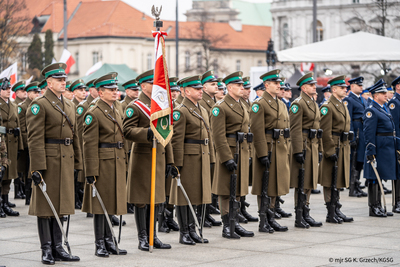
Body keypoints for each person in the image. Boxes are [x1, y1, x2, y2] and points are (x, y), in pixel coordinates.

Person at [27, 63, 82, 264]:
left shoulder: (69, 105)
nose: (63, 82)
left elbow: (75, 136)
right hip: (48, 160)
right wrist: (37, 167)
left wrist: (79, 163)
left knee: (61, 206)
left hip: (66, 159)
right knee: (45, 207)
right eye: (59, 80)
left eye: (64, 79)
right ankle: (47, 249)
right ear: (49, 83)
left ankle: (59, 247)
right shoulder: (39, 104)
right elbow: (34, 138)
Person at [123, 69, 174, 251]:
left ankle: (153, 236)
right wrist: (146, 132)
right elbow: (127, 131)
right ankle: (143, 238)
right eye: (153, 84)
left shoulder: (160, 106)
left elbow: (166, 134)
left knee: (156, 199)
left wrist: (170, 161)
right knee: (142, 200)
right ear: (144, 86)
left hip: (158, 156)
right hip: (143, 157)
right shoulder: (135, 107)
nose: (157, 86)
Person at [81, 72, 128, 257]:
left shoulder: (116, 108)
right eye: (111, 90)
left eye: (116, 89)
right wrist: (91, 171)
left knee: (110, 203)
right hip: (102, 162)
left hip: (116, 159)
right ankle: (99, 243)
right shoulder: (94, 112)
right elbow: (89, 144)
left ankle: (110, 241)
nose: (116, 92)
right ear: (101, 93)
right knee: (100, 206)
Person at [169, 75, 214, 245]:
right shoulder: (181, 111)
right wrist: (176, 163)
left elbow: (207, 135)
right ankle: (184, 232)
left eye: (201, 88)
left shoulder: (201, 109)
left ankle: (192, 229)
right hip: (187, 158)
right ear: (187, 91)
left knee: (195, 195)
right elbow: (176, 139)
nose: (201, 91)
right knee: (184, 196)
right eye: (197, 89)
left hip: (201, 155)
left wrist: (210, 156)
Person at [210, 71, 254, 239]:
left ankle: (235, 223)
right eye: (239, 86)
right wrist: (226, 158)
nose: (242, 88)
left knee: (237, 191)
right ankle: (227, 225)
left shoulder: (242, 105)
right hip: (228, 153)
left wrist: (248, 153)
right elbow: (218, 136)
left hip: (241, 151)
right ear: (229, 87)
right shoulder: (220, 107)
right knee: (226, 191)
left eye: (243, 85)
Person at [250, 69, 290, 233]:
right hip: (267, 148)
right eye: (276, 83)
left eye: (279, 83)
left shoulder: (280, 103)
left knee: (275, 184)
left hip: (279, 147)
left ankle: (272, 217)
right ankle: (264, 220)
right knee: (265, 185)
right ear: (266, 85)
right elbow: (257, 130)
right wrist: (262, 153)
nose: (279, 85)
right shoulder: (260, 104)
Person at [289, 72, 323, 228]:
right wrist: (297, 150)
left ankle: (306, 212)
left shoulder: (312, 102)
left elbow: (317, 128)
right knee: (301, 182)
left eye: (314, 84)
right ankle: (299, 215)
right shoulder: (298, 104)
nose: (314, 87)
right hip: (304, 145)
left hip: (313, 144)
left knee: (309, 181)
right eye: (311, 85)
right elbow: (295, 129)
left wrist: (320, 148)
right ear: (303, 87)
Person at [319, 75, 353, 224]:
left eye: (345, 87)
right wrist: (330, 150)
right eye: (342, 87)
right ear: (334, 89)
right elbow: (325, 131)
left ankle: (337, 208)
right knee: (329, 179)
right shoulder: (327, 107)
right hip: (333, 146)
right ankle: (330, 211)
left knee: (338, 179)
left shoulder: (342, 104)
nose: (345, 89)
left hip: (343, 146)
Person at [364, 79, 398, 217]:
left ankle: (380, 206)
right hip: (378, 148)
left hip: (386, 147)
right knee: (374, 177)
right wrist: (371, 151)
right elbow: (369, 133)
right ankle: (374, 207)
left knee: (380, 177)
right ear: (375, 95)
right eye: (382, 93)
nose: (386, 94)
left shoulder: (383, 108)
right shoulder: (371, 110)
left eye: (386, 92)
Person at [198, 70, 221, 227]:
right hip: (205, 146)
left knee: (209, 182)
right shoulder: (202, 102)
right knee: (203, 182)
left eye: (216, 84)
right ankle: (202, 215)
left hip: (212, 147)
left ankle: (206, 212)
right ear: (204, 88)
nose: (216, 86)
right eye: (212, 84)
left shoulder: (212, 102)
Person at [0, 77, 23, 218]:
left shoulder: (14, 105)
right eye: (5, 88)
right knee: (1, 174)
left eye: (9, 88)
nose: (8, 91)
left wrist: (20, 146)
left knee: (9, 176)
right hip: (2, 143)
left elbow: (18, 126)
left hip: (13, 143)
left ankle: (5, 203)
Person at [343, 76, 367, 198]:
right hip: (356, 134)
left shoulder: (362, 99)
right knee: (354, 161)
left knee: (360, 161)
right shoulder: (349, 100)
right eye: (359, 85)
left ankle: (357, 184)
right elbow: (348, 120)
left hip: (362, 133)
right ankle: (352, 186)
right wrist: (351, 137)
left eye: (362, 85)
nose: (361, 87)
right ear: (352, 86)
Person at [18, 81, 41, 206]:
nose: (37, 94)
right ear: (28, 93)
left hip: (36, 143)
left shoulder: (39, 105)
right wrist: (29, 144)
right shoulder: (23, 107)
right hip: (29, 145)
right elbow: (23, 129)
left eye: (38, 92)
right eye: (34, 92)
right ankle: (28, 195)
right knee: (28, 171)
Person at [239, 76, 258, 223]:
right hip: (238, 146)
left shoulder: (250, 104)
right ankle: (238, 209)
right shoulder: (240, 104)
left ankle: (242, 208)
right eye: (245, 88)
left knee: (244, 179)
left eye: (247, 88)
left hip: (248, 145)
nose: (247, 91)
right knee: (238, 180)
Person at [12, 81, 27, 201]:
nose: (25, 93)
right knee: (19, 167)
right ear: (16, 93)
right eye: (22, 91)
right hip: (18, 139)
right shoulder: (17, 106)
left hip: (22, 140)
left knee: (22, 168)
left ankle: (21, 189)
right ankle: (18, 190)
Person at [388, 76, 400, 213]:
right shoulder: (395, 103)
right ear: (398, 86)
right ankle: (397, 202)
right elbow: (395, 125)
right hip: (399, 142)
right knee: (399, 174)